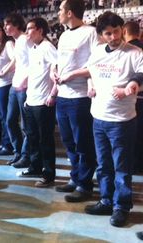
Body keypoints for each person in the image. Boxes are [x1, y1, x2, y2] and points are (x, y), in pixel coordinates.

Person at [83, 11, 143, 227]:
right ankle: (106, 200)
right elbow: (91, 72)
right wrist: (90, 87)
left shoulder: (134, 53)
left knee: (122, 166)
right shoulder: (98, 52)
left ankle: (121, 206)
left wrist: (130, 87)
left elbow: (140, 75)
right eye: (108, 33)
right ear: (101, 35)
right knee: (103, 164)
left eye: (116, 31)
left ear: (122, 30)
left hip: (122, 120)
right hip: (98, 116)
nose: (113, 37)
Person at [53, 0, 98, 203]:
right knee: (69, 141)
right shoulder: (63, 35)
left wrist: (72, 76)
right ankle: (75, 177)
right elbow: (60, 62)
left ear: (70, 12)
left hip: (79, 97)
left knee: (83, 142)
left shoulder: (90, 33)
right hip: (63, 95)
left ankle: (85, 185)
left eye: (61, 9)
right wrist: (56, 72)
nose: (58, 13)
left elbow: (96, 65)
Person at [23, 17, 58, 187]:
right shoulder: (33, 48)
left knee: (46, 140)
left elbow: (57, 69)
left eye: (30, 28)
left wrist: (52, 95)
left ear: (40, 30)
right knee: (32, 137)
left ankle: (48, 174)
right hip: (31, 101)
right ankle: (35, 166)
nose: (27, 31)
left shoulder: (48, 47)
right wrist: (27, 99)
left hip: (44, 103)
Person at [3, 13, 31, 164]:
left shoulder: (26, 39)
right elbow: (17, 61)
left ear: (16, 25)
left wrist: (26, 80)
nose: (5, 27)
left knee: (25, 124)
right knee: (10, 121)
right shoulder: (16, 42)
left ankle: (25, 156)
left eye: (8, 24)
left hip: (24, 86)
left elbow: (35, 61)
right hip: (15, 85)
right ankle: (18, 151)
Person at [0, 21, 15, 161]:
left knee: (6, 116)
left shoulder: (9, 44)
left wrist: (5, 71)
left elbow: (15, 60)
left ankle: (8, 145)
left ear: (3, 31)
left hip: (5, 84)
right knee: (1, 116)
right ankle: (4, 142)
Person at [123, 21, 143, 174]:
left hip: (132, 98)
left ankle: (134, 165)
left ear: (124, 32)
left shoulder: (128, 52)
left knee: (133, 135)